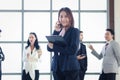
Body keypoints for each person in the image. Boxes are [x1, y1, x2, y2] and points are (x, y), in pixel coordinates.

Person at [47, 7, 80, 80]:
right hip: (57, 68)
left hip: (69, 68)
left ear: (70, 18)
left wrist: (55, 47)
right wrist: (55, 31)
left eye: (66, 16)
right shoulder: (58, 31)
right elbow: (49, 48)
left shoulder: (74, 31)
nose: (63, 19)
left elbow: (73, 50)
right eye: (61, 16)